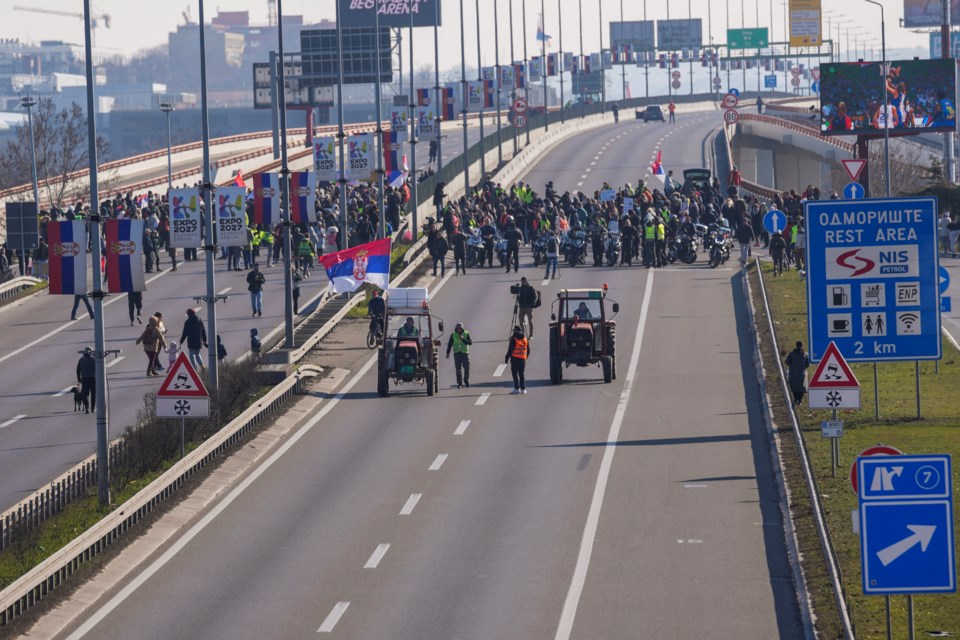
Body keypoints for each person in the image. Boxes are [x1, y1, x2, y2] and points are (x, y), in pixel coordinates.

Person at [445, 321, 473, 389]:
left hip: (465, 354)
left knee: (467, 368)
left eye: (460, 329)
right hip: (457, 354)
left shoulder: (466, 333)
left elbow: (470, 342)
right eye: (458, 329)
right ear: (456, 329)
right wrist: (447, 353)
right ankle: (460, 383)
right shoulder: (453, 334)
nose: (459, 330)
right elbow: (450, 344)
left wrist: (463, 339)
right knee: (458, 370)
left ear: (462, 329)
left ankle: (466, 380)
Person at [505, 325, 530, 394]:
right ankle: (523, 389)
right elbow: (528, 350)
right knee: (521, 374)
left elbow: (510, 350)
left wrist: (506, 358)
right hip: (522, 359)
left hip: (514, 359)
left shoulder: (514, 339)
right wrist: (525, 357)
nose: (513, 331)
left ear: (515, 330)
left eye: (513, 330)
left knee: (515, 374)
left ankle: (516, 388)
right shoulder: (525, 338)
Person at [785, 341, 810, 406]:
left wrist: (793, 366)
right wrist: (803, 368)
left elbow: (787, 362)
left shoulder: (792, 353)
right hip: (802, 374)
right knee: (802, 387)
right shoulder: (805, 354)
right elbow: (808, 364)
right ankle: (799, 401)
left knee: (794, 386)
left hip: (793, 373)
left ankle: (795, 399)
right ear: (802, 346)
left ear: (796, 345)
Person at [76, 346, 96, 414]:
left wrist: (79, 379)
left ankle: (87, 408)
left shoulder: (81, 360)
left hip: (85, 379)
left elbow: (78, 370)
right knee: (94, 394)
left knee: (85, 394)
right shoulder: (94, 360)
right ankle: (93, 408)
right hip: (94, 379)